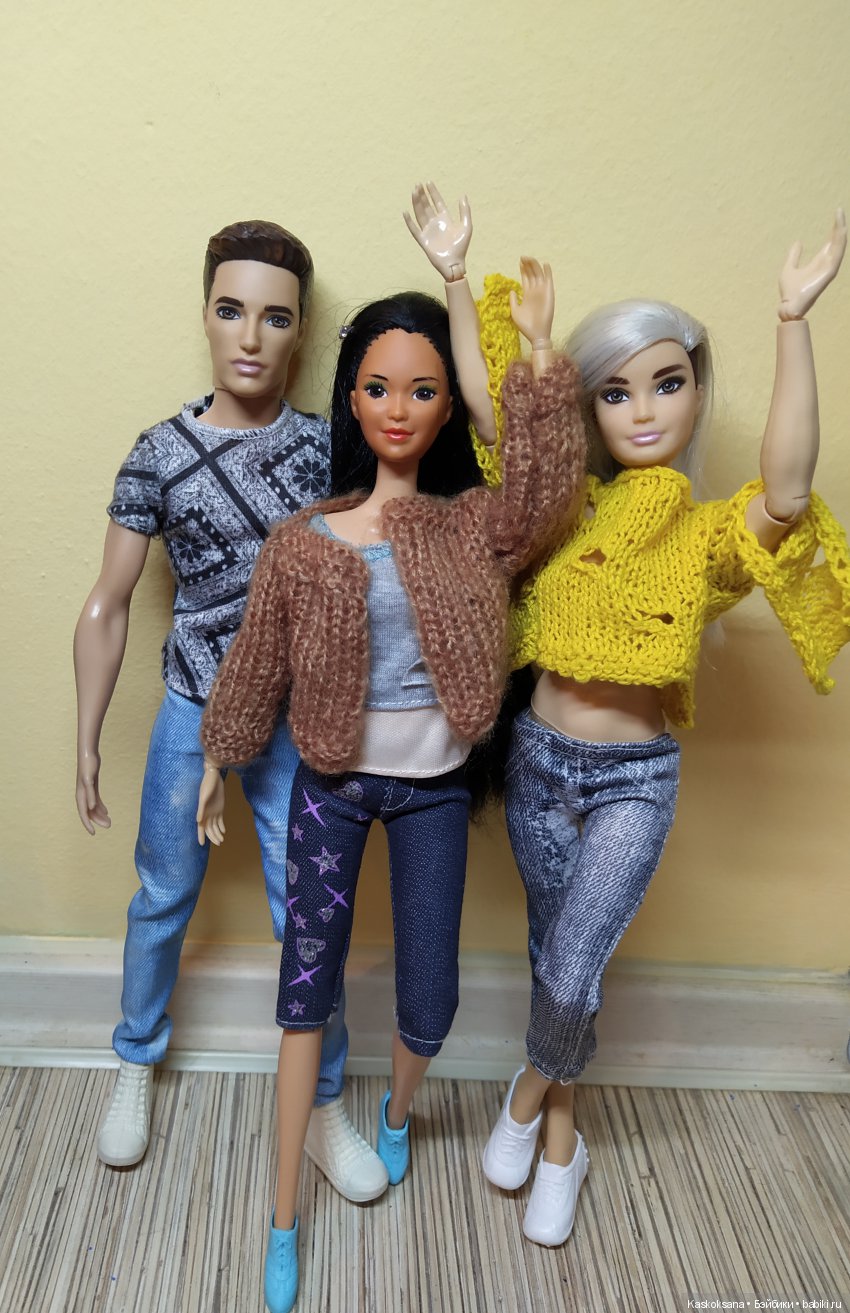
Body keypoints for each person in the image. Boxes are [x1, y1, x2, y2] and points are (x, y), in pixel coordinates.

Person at [408, 186, 849, 1248]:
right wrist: (456, 277)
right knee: (558, 953)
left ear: (696, 391)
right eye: (616, 390)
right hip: (539, 759)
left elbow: (787, 492)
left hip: (633, 781)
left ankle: (527, 1097)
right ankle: (566, 1140)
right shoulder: (566, 505)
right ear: (592, 407)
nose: (643, 410)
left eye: (668, 382)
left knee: (571, 963)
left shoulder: (707, 535)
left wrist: (791, 321)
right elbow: (493, 416)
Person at [196, 265, 587, 1312]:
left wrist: (534, 353)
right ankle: (282, 1216)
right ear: (351, 400)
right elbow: (254, 664)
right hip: (330, 784)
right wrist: (217, 760)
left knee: (430, 997)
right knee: (303, 993)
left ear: (447, 405)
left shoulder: (470, 527)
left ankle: (401, 1112)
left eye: (421, 390)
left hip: (432, 791)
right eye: (377, 388)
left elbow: (548, 496)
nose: (398, 409)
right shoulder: (303, 543)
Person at [73, 220, 386, 1202]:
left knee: (311, 913)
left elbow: (385, 563)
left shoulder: (330, 449)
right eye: (230, 310)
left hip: (297, 718)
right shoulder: (159, 454)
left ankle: (323, 1097)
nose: (250, 336)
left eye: (275, 317)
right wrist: (86, 737)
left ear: (301, 332)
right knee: (162, 893)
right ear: (206, 315)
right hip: (191, 705)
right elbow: (107, 601)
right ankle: (135, 1057)